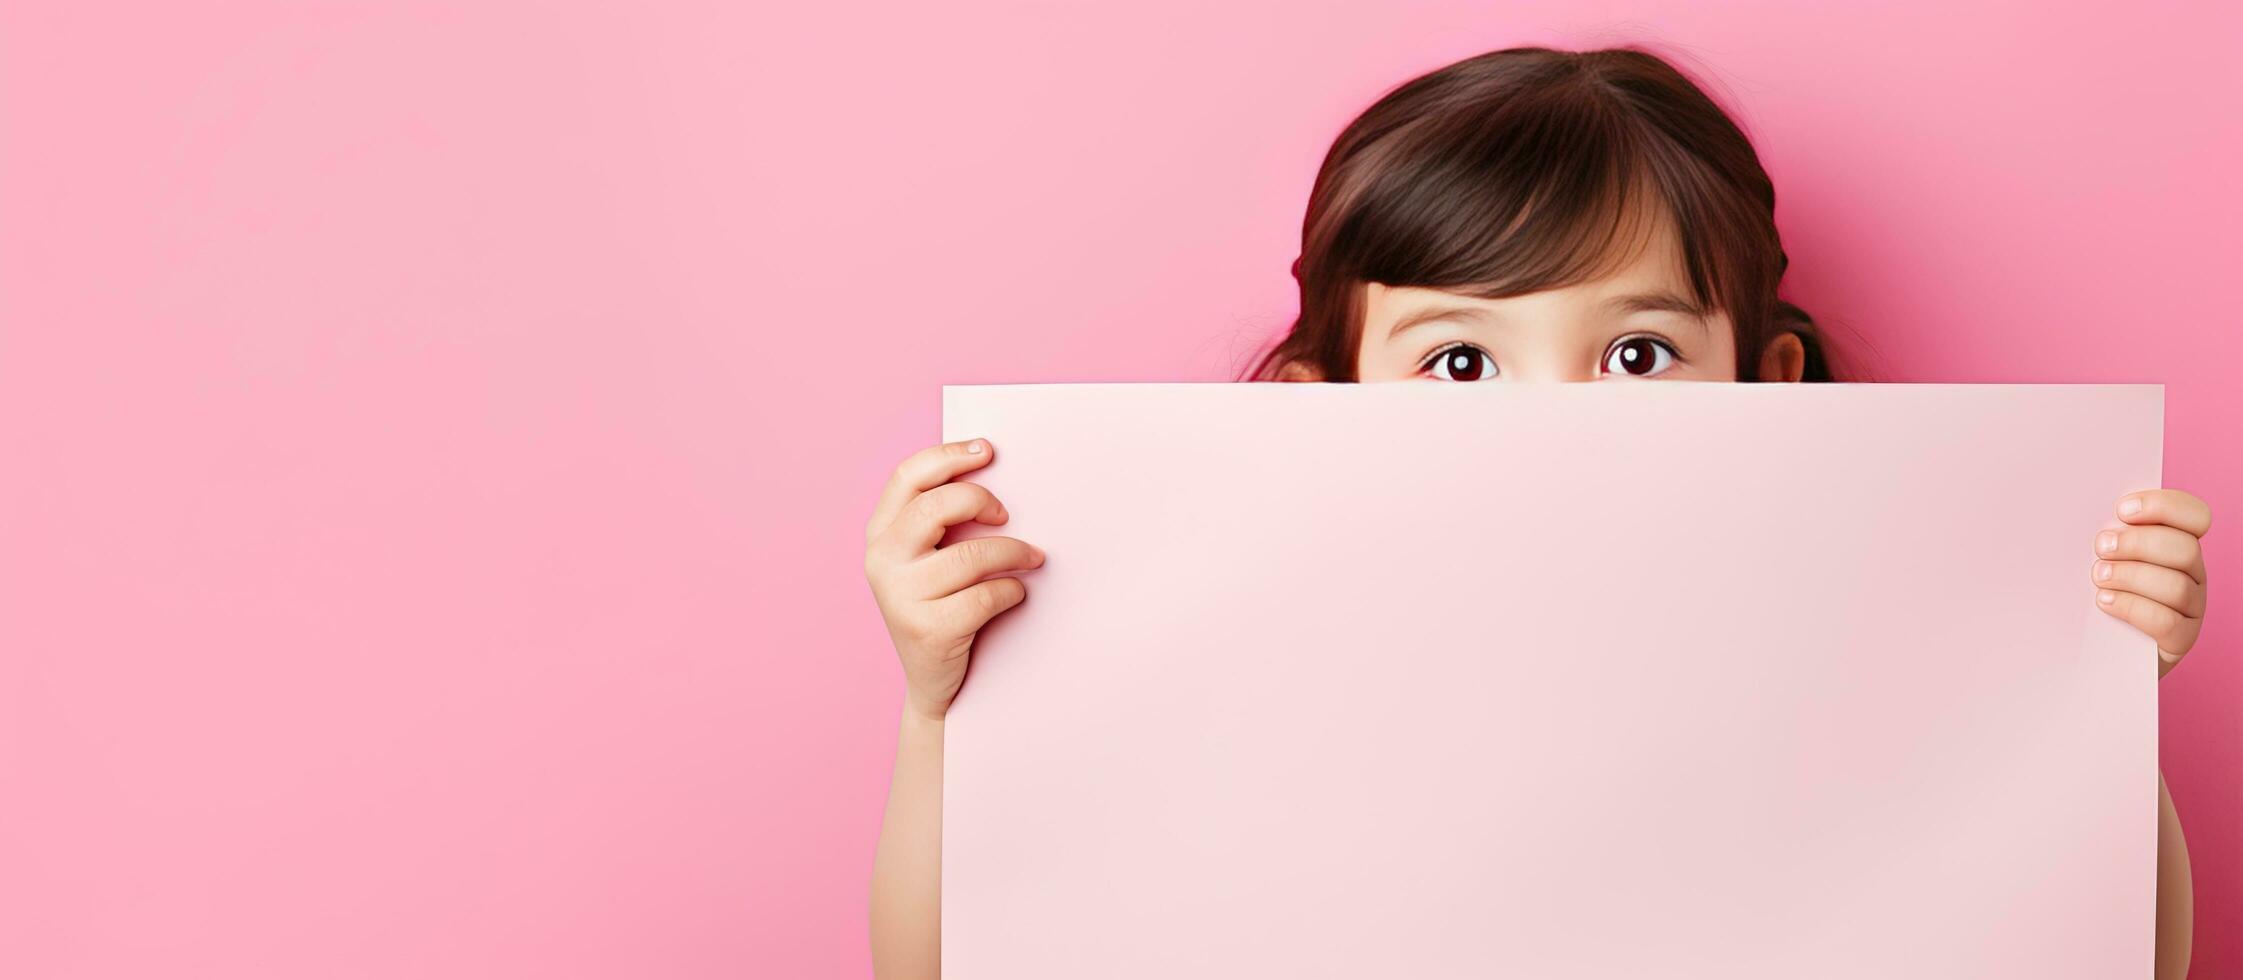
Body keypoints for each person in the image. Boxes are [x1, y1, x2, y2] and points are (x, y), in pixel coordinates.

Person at [860, 44, 2211, 979]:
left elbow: (2117, 960)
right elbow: (955, 966)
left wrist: (2092, 702)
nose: (1549, 421)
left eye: (1636, 356)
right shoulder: (1226, 664)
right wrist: (943, 707)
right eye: (1460, 362)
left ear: (1767, 379)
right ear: (1315, 400)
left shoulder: (1854, 654)